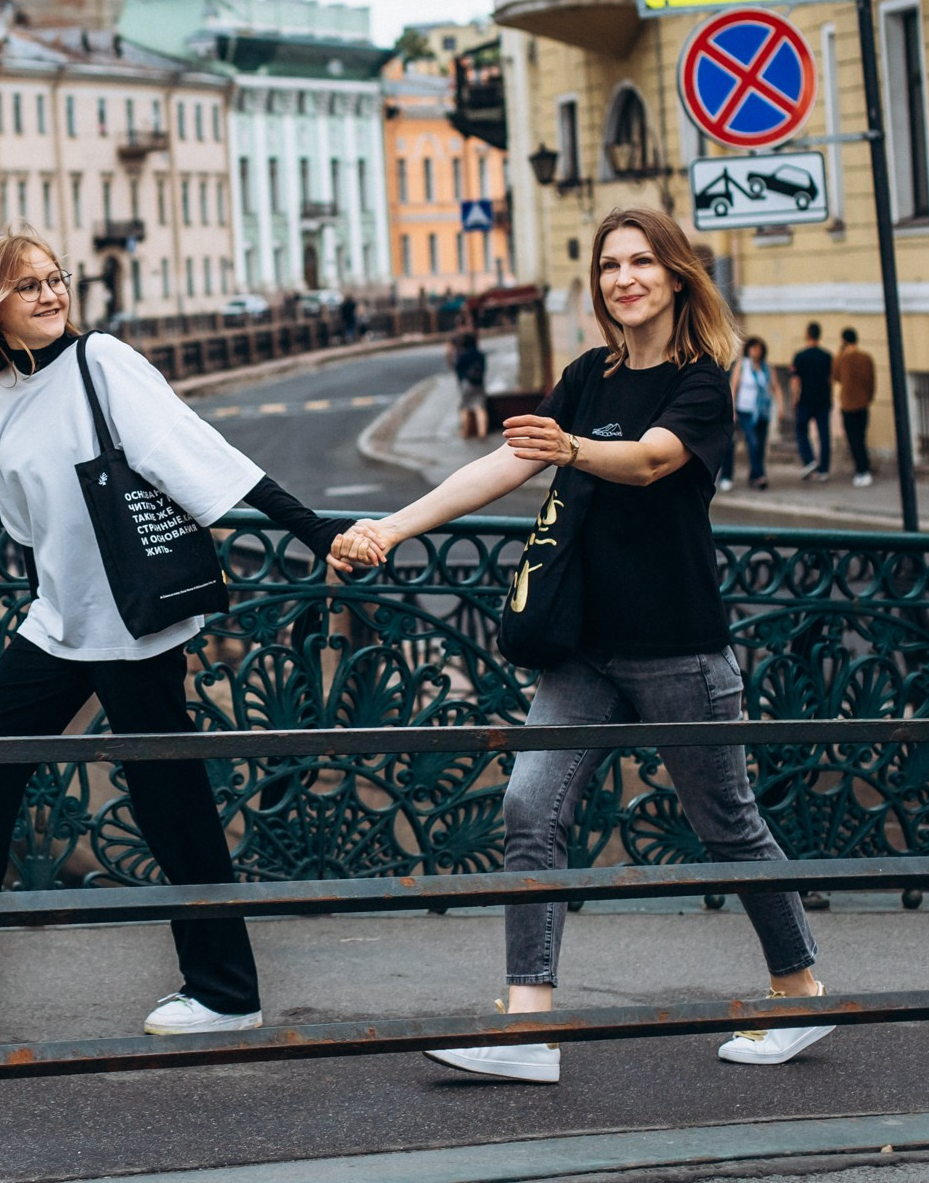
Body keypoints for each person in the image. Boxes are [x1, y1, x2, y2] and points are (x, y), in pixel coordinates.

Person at [333, 205, 827, 1082]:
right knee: (530, 807)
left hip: (677, 645)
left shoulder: (702, 381)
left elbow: (648, 461)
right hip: (583, 647)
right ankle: (530, 1032)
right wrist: (392, 527)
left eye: (641, 263)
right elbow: (503, 465)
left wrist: (574, 448)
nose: (624, 279)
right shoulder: (587, 375)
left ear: (677, 276)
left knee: (729, 826)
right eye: (609, 266)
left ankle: (800, 994)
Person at [0, 224, 352, 1040]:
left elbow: (202, 456)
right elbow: (24, 529)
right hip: (60, 623)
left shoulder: (102, 362)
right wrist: (41, 614)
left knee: (171, 802)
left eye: (56, 279)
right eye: (30, 286)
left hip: (137, 620)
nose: (51, 295)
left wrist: (317, 532)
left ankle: (226, 991)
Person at [722, 336, 774, 492]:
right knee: (752, 442)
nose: (755, 352)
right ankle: (759, 476)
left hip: (762, 412)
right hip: (745, 411)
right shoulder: (742, 366)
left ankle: (754, 476)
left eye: (758, 349)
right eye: (753, 348)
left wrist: (780, 406)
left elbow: (774, 386)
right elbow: (734, 387)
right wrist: (731, 410)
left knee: (760, 446)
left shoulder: (766, 367)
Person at [790, 322, 834, 481]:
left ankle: (809, 460)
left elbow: (795, 380)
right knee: (824, 434)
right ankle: (824, 470)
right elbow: (830, 379)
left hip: (806, 400)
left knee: (801, 429)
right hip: (823, 400)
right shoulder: (827, 356)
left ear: (807, 334)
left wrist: (795, 399)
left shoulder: (800, 356)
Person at [834, 328, 876, 488]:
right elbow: (871, 381)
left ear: (844, 341)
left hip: (848, 405)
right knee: (861, 437)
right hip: (863, 404)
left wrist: (840, 351)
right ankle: (864, 469)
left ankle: (862, 471)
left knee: (853, 439)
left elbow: (835, 376)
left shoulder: (841, 359)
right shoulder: (866, 358)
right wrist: (868, 398)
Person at [450, 328, 491, 441]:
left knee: (465, 408)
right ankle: (482, 431)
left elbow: (457, 369)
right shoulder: (480, 354)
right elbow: (483, 368)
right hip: (478, 383)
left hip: (466, 384)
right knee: (480, 408)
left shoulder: (462, 355)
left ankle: (465, 432)